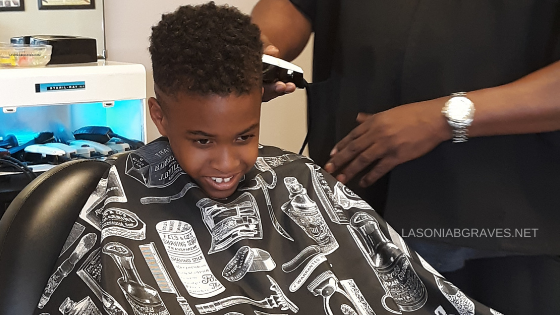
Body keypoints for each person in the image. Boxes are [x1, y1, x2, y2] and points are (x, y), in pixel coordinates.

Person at [31, 3, 503, 315]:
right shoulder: (120, 205)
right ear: (158, 116)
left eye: (245, 135)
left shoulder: (297, 180)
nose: (225, 162)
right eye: (202, 140)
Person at [251, 0, 560, 313]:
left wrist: (445, 117)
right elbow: (295, 5)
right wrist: (257, 50)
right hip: (354, 203)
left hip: (499, 223)